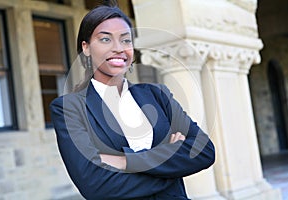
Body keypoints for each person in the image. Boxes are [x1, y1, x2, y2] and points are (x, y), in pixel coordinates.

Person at [50, 5, 215, 200]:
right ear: (86, 48)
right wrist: (171, 160)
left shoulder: (157, 95)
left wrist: (126, 161)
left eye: (125, 40)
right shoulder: (69, 108)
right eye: (105, 39)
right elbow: (95, 186)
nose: (118, 48)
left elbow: (204, 151)